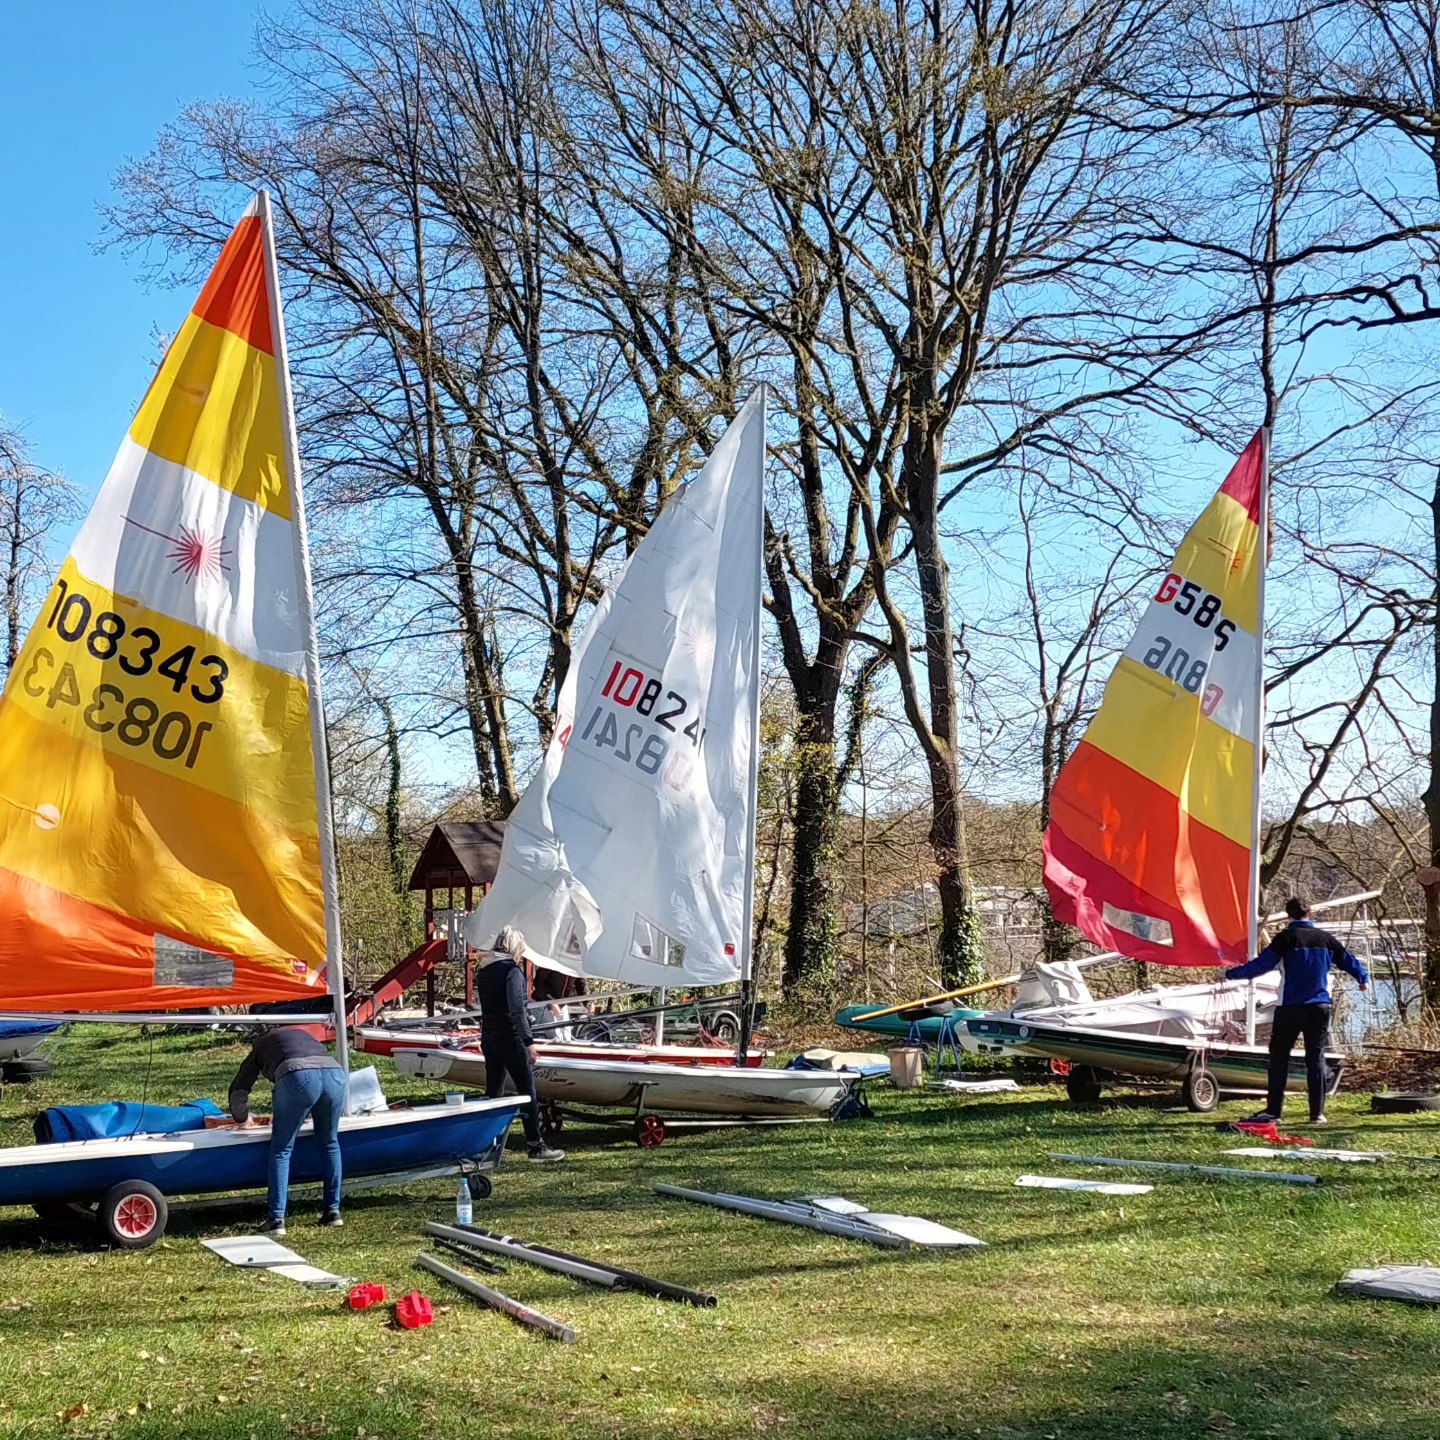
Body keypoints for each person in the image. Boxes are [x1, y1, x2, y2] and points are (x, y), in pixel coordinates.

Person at [1224, 897, 1369, 1126]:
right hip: (1320, 1007)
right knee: (1316, 1058)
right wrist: (1363, 978)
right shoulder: (1326, 939)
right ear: (1309, 914)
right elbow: (1348, 960)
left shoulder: (1286, 938)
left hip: (1290, 1007)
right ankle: (1317, 1114)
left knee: (1279, 1058)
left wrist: (1229, 975)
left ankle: (1274, 1112)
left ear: (1288, 915)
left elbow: (1260, 966)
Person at [228, 1025, 348, 1237]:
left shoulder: (261, 1044)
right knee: (330, 1143)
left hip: (298, 1077)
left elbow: (239, 1089)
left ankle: (276, 1219)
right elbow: (316, 1069)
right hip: (335, 1075)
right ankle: (333, 1212)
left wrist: (243, 1119)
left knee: (281, 1149)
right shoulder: (303, 1034)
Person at [477, 926, 565, 1162]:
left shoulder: (484, 971)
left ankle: (486, 1146)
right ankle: (535, 1145)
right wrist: (529, 1042)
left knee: (493, 1092)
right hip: (510, 1037)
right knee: (528, 1091)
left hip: (489, 1036)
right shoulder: (512, 971)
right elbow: (516, 1010)